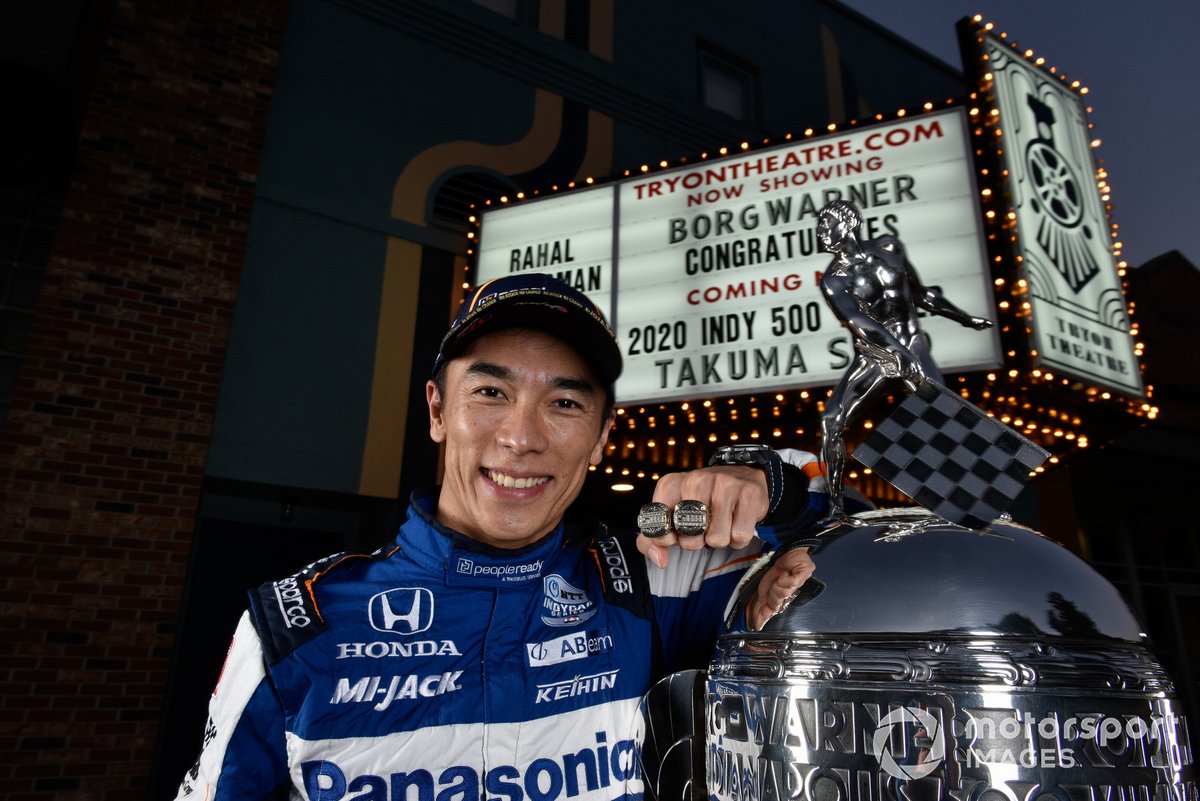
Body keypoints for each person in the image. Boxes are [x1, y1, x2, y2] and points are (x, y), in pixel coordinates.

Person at [174, 274, 834, 801]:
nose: (522, 437)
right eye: (491, 390)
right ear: (437, 410)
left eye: (566, 402)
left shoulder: (648, 582)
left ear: (604, 436)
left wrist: (758, 478)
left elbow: (838, 530)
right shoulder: (298, 625)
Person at [817, 200, 993, 513]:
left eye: (826, 223)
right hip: (876, 354)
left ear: (848, 223)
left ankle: (984, 501)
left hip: (911, 341)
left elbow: (921, 294)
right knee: (831, 420)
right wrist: (895, 352)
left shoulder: (889, 247)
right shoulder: (833, 279)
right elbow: (858, 321)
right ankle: (834, 506)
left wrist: (965, 318)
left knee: (945, 412)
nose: (820, 231)